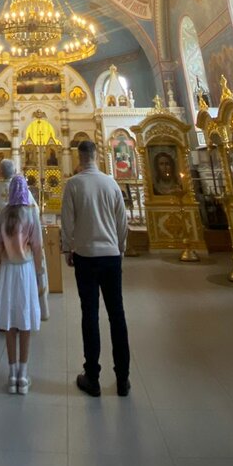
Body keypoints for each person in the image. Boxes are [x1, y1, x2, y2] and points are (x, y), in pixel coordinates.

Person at [61, 139, 130, 397]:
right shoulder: (111, 183)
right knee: (117, 315)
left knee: (89, 315)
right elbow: (122, 222)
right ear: (97, 155)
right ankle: (123, 379)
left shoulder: (73, 184)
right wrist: (120, 247)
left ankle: (92, 377)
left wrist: (68, 249)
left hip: (86, 257)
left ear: (79, 158)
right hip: (111, 256)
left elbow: (67, 222)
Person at [0, 174, 44, 394]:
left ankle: (12, 372)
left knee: (9, 321)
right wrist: (41, 271)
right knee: (24, 321)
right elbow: (38, 247)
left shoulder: (4, 214)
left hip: (7, 270)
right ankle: (23, 375)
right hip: (25, 270)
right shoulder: (30, 214)